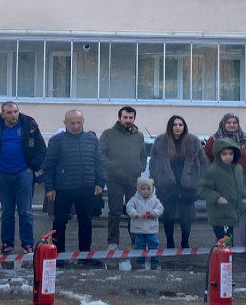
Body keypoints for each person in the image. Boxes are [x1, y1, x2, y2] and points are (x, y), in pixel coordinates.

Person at [0, 102, 47, 254]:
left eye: (15, 111)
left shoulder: (30, 125)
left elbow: (41, 149)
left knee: (25, 212)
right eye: (9, 112)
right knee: (7, 212)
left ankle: (27, 244)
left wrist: (33, 168)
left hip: (24, 174)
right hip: (2, 174)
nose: (13, 115)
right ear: (2, 114)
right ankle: (7, 244)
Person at [43, 110, 105, 258]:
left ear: (83, 121)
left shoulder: (92, 140)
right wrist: (50, 188)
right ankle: (58, 255)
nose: (76, 126)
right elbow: (49, 165)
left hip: (87, 187)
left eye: (79, 122)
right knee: (60, 222)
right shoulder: (56, 141)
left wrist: (100, 183)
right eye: (72, 123)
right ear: (65, 123)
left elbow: (99, 163)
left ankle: (85, 255)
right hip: (63, 188)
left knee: (86, 222)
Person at [149, 115, 207, 250]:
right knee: (168, 217)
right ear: (170, 126)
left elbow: (203, 164)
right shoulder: (160, 142)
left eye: (180, 125)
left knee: (186, 218)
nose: (178, 127)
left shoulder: (193, 142)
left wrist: (199, 183)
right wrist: (156, 181)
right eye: (175, 125)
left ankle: (185, 243)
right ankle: (170, 243)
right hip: (167, 186)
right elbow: (153, 164)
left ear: (184, 127)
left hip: (187, 186)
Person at [204, 113, 246, 241]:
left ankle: (239, 248)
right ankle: (224, 247)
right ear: (223, 124)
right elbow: (207, 158)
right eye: (229, 122)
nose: (232, 125)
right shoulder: (214, 139)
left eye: (234, 122)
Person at [100, 106, 145, 251]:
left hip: (133, 179)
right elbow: (101, 155)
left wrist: (141, 166)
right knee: (115, 211)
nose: (128, 120)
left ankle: (135, 239)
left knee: (134, 211)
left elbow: (143, 155)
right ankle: (113, 242)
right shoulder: (108, 134)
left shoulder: (139, 136)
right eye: (125, 117)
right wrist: (111, 166)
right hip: (115, 179)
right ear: (119, 118)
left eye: (131, 118)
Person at [198, 138, 246, 242]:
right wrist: (217, 198)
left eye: (231, 153)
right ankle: (222, 258)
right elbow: (203, 189)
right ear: (218, 154)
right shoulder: (212, 170)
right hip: (219, 213)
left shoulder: (238, 169)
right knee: (224, 241)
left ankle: (225, 258)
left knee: (228, 241)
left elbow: (242, 185)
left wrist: (244, 197)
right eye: (224, 154)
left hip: (234, 212)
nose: (228, 157)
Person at [126, 177, 164, 253]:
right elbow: (129, 207)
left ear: (152, 189)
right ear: (139, 189)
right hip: (139, 228)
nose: (146, 191)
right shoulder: (134, 199)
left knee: (153, 243)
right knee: (139, 245)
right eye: (143, 189)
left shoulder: (155, 200)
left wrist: (154, 213)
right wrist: (135, 214)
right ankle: (140, 261)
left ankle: (154, 259)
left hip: (151, 228)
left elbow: (160, 208)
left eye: (148, 189)